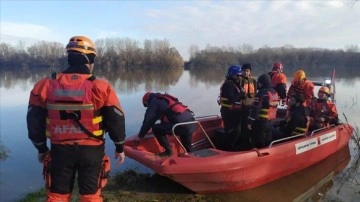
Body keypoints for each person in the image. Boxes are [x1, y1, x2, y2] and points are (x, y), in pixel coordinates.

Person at [27, 36, 126, 201]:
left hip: (60, 150)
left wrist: (41, 148)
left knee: (57, 196)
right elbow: (116, 119)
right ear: (90, 59)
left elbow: (34, 120)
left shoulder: (45, 85)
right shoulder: (101, 87)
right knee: (90, 196)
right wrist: (120, 147)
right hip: (92, 151)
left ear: (69, 58)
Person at [136, 92, 195, 157]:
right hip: (191, 122)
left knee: (156, 128)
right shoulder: (165, 99)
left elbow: (148, 121)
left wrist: (140, 136)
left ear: (147, 100)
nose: (147, 107)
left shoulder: (154, 102)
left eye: (146, 105)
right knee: (187, 145)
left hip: (180, 125)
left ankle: (168, 152)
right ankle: (193, 157)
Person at [218, 65, 245, 150]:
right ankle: (228, 149)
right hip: (229, 112)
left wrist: (243, 95)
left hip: (234, 112)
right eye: (237, 75)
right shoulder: (228, 85)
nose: (239, 77)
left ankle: (232, 148)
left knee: (236, 132)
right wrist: (241, 94)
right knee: (233, 133)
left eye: (240, 75)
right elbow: (232, 99)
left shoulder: (235, 84)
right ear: (232, 75)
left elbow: (238, 97)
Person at [248, 74, 279, 148]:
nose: (258, 84)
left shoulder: (262, 93)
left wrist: (249, 123)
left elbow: (256, 110)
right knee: (268, 142)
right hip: (270, 122)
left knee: (259, 143)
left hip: (260, 123)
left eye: (259, 82)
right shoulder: (274, 92)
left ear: (262, 83)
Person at [239, 63, 257, 150]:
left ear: (250, 72)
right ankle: (243, 144)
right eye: (244, 71)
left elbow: (255, 94)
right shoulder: (239, 80)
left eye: (247, 71)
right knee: (243, 126)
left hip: (250, 107)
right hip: (242, 107)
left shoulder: (253, 81)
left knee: (249, 126)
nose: (245, 72)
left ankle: (248, 143)